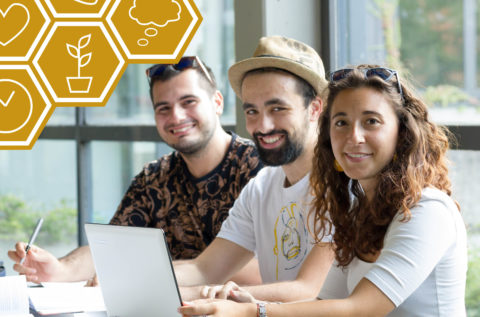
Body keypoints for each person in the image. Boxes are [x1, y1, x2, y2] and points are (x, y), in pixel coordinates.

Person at [178, 65, 468, 316]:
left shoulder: (428, 210)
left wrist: (255, 311)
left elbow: (361, 309)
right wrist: (248, 302)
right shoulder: (356, 212)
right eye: (341, 122)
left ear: (402, 133)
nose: (354, 137)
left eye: (372, 122)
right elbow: (323, 303)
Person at [8, 56, 263, 285]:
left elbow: (267, 270)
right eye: (163, 108)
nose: (176, 116)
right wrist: (60, 269)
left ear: (217, 102)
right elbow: (111, 248)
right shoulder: (154, 178)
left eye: (189, 102)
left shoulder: (259, 169)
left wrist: (144, 273)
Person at [173, 35, 334, 302]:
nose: (263, 126)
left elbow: (307, 291)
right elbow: (204, 269)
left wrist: (211, 294)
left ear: (314, 108)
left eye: (278, 108)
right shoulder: (261, 186)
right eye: (252, 112)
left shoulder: (343, 182)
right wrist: (129, 280)